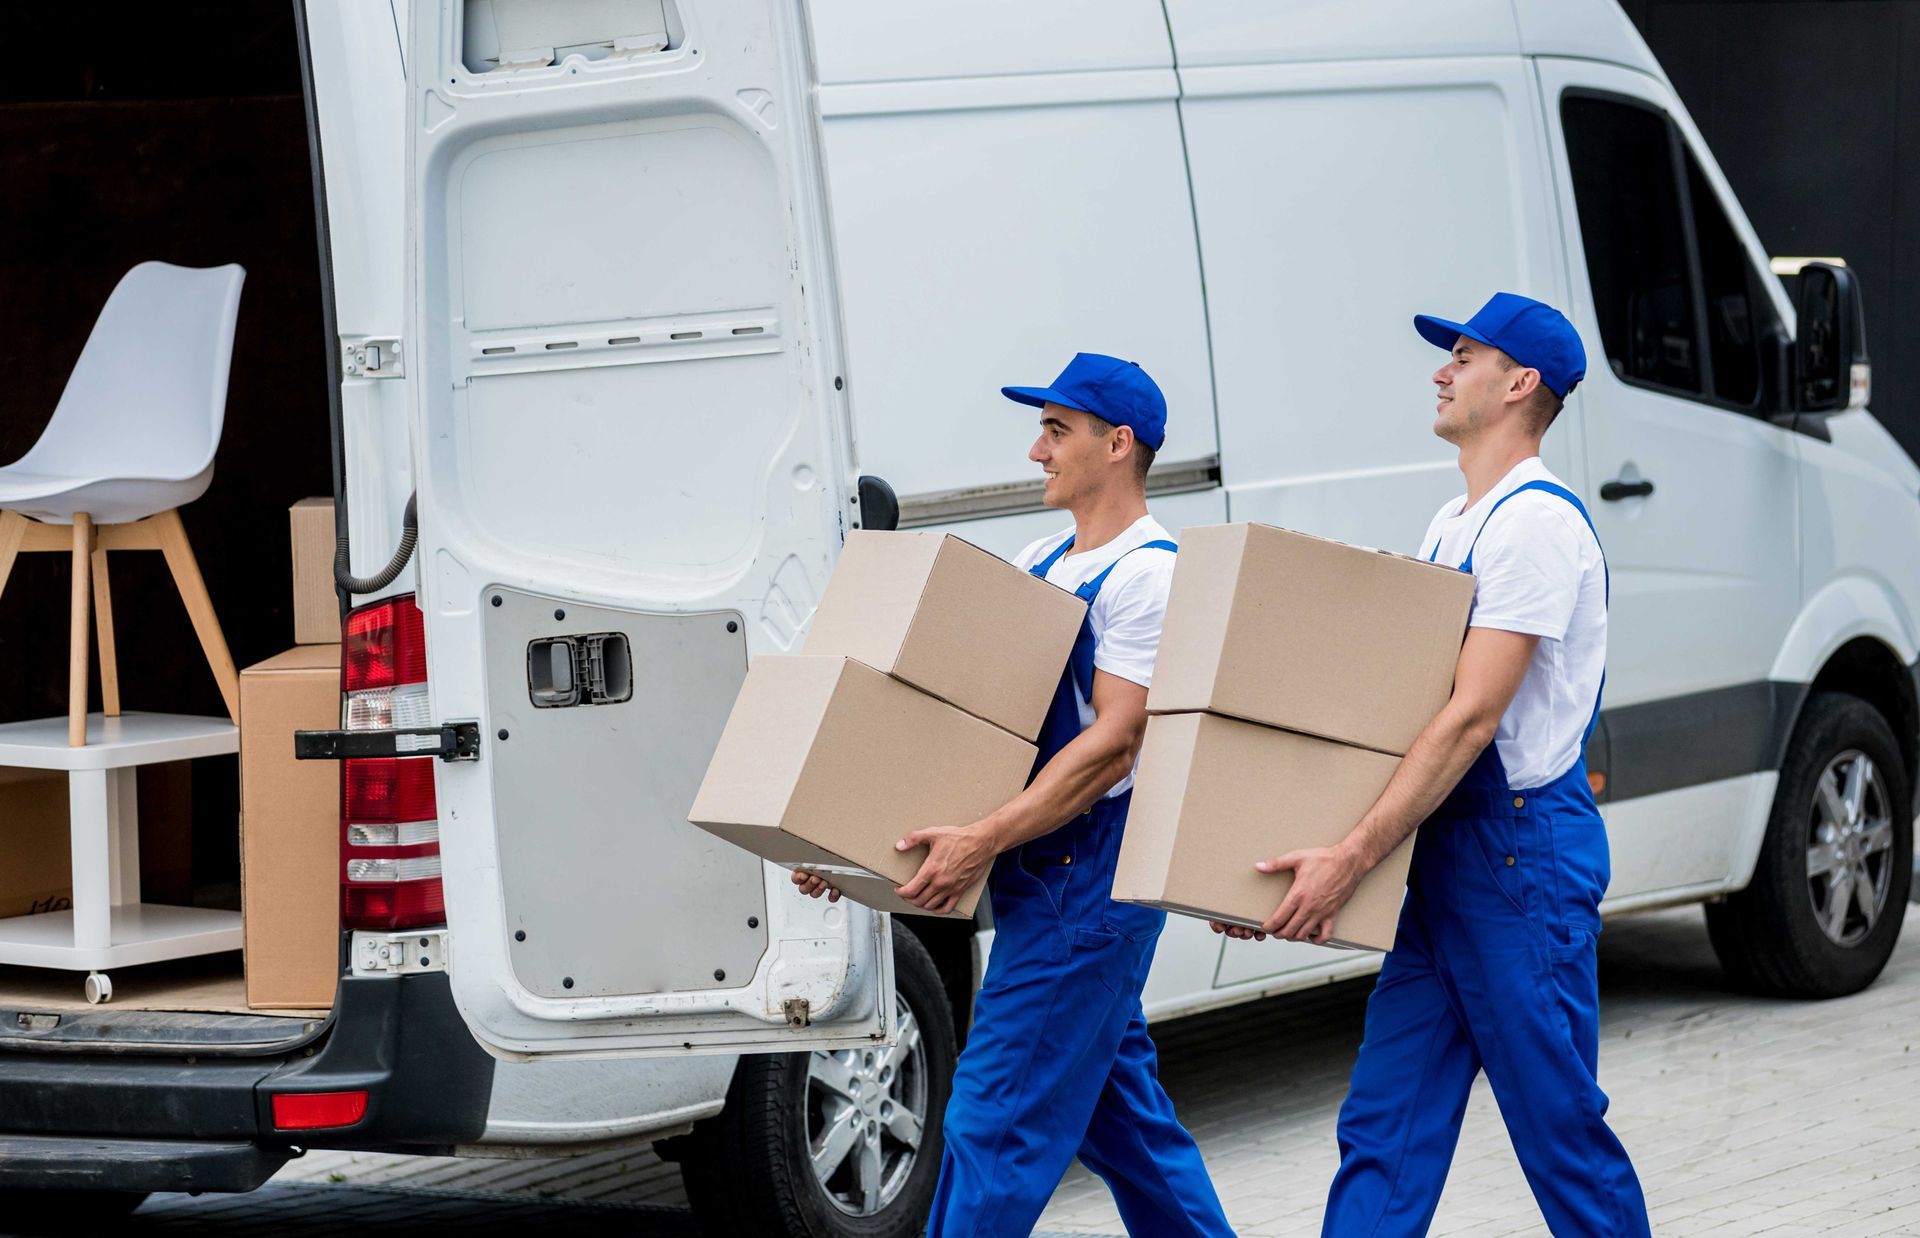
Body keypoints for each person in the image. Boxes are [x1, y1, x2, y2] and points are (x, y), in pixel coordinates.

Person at [1215, 294, 1651, 1235]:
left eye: (1462, 355)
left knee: (1561, 1137)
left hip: (1517, 862)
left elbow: (1466, 722)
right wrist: (1288, 856)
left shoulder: (1533, 525)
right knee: (1385, 1129)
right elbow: (1399, 716)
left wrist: (1352, 857)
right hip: (1448, 860)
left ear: (1520, 382)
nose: (1440, 371)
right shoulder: (1456, 521)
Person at [796, 352, 1234, 1236]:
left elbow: (1114, 745)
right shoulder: (1045, 559)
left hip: (1088, 886)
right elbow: (971, 728)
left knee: (991, 1124)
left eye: (1055, 430)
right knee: (1128, 1131)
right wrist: (847, 842)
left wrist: (982, 838)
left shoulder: (1149, 574)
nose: (1036, 451)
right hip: (1044, 878)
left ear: (1118, 445)